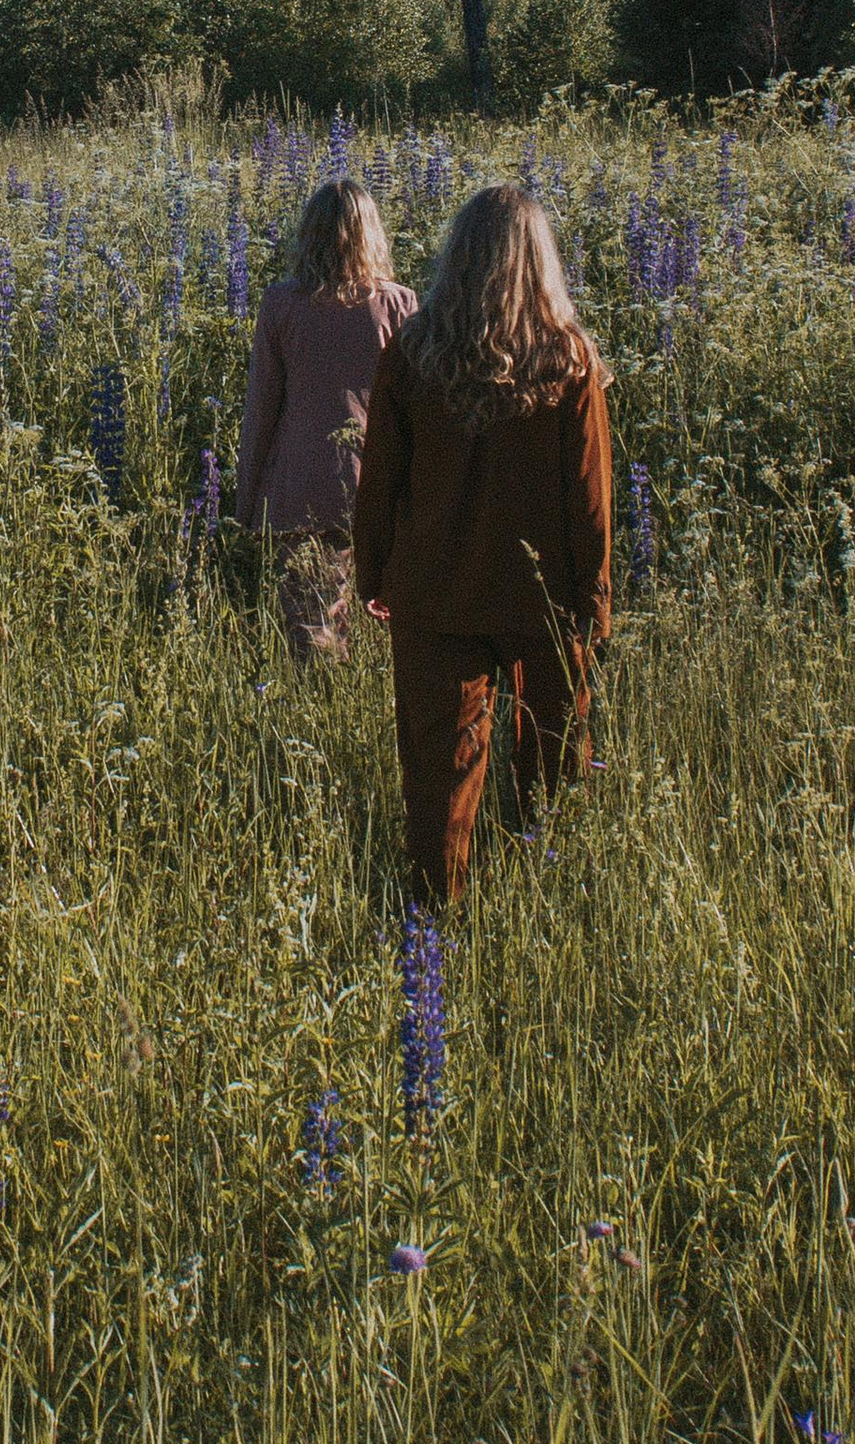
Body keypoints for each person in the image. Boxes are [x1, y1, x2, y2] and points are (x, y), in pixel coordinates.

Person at [350, 184, 611, 905]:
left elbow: (379, 485)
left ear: (456, 257)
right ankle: (544, 907)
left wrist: (374, 575)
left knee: (439, 781)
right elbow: (590, 502)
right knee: (551, 770)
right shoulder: (569, 360)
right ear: (541, 261)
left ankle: (436, 919)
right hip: (544, 602)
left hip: (436, 593)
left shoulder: (414, 353)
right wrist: (596, 604)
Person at [235, 180, 416, 658]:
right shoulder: (397, 305)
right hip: (370, 484)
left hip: (296, 486)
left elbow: (261, 412)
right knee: (364, 624)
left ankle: (316, 711)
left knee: (309, 628)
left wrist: (246, 502)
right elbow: (414, 417)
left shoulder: (281, 303)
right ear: (370, 234)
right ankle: (338, 708)